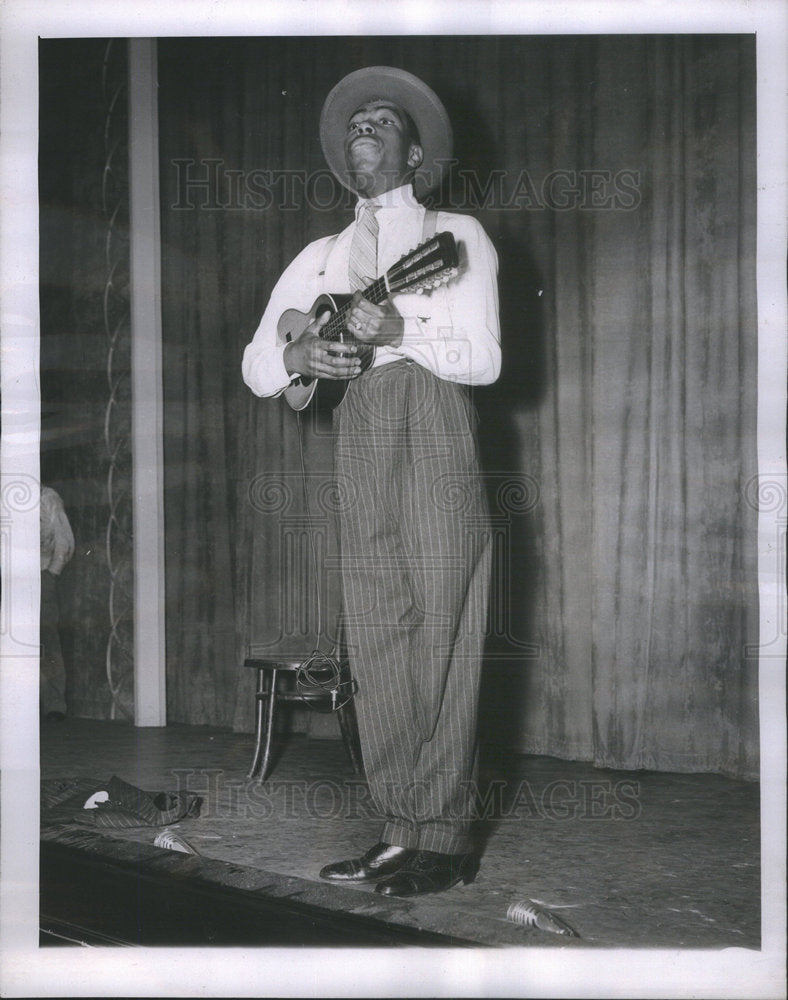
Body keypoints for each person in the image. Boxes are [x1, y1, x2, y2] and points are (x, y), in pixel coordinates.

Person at [242, 66, 500, 896]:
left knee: (444, 627)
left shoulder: (454, 236)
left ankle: (447, 835)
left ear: (414, 151)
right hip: (361, 430)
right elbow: (257, 362)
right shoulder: (319, 257)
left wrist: (403, 327)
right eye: (356, 118)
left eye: (384, 118)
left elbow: (487, 360)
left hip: (434, 422)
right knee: (378, 632)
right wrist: (297, 354)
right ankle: (399, 829)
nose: (365, 123)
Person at [40, 485, 75, 721]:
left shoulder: (47, 498)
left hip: (40, 576)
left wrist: (51, 574)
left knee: (47, 639)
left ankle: (54, 705)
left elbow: (64, 541)